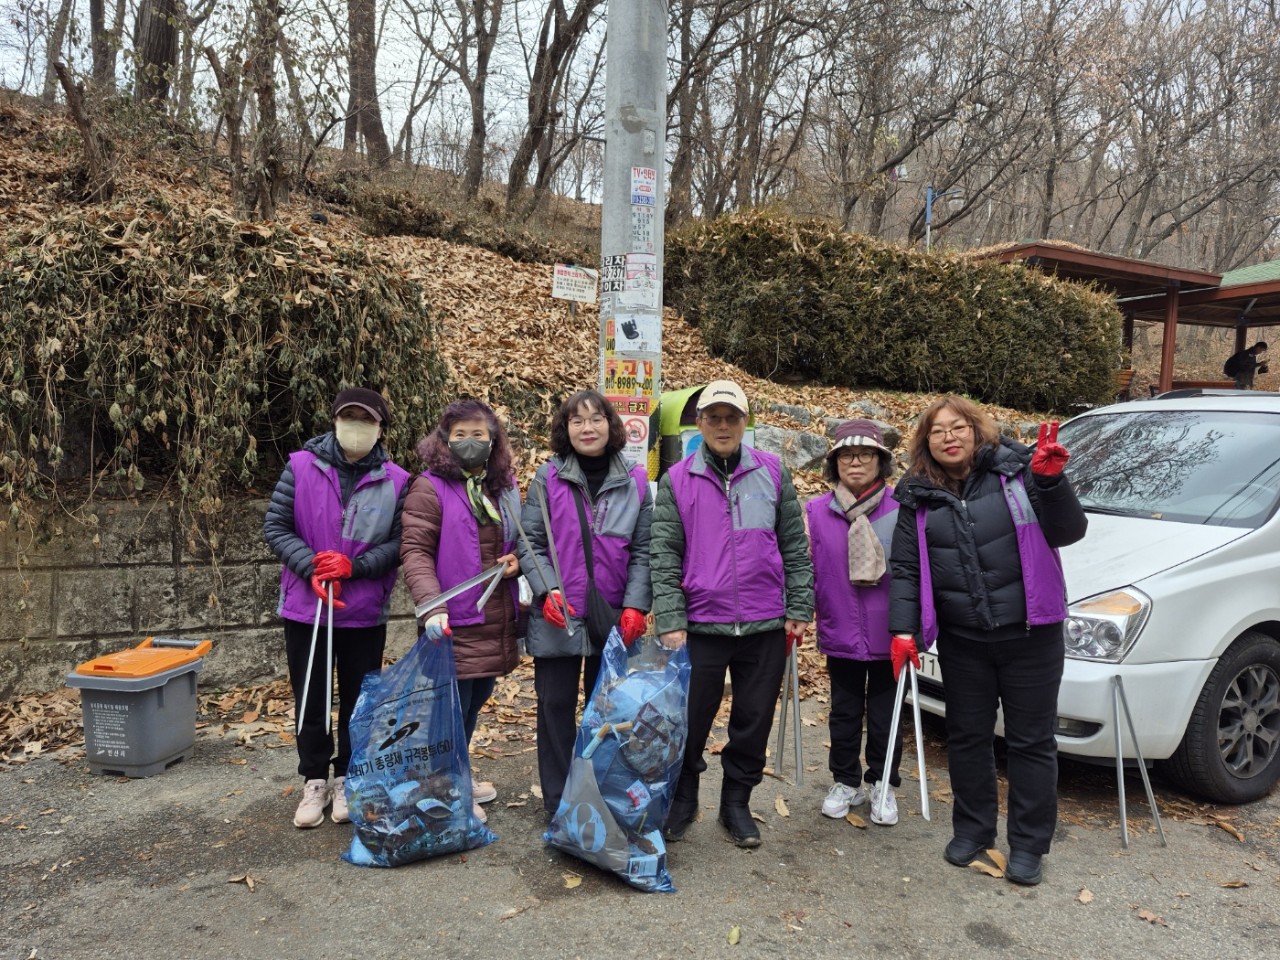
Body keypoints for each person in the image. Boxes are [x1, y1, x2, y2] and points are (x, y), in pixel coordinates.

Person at [888, 396, 1086, 886]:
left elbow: (1069, 530)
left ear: (977, 431)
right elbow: (907, 569)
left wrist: (1052, 483)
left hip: (1031, 635)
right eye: (937, 432)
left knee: (1030, 742)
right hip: (963, 639)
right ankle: (974, 830)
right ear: (925, 443)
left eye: (958, 427)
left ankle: (1029, 845)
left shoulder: (1018, 474)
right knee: (967, 738)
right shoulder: (917, 496)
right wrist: (902, 628)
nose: (949, 437)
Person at [650, 379, 814, 848]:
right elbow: (663, 555)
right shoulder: (676, 480)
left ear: (745, 423)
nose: (723, 426)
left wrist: (799, 605)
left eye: (732, 417)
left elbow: (795, 548)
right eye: (713, 417)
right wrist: (671, 619)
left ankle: (736, 802)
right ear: (698, 422)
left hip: (765, 621)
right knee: (689, 719)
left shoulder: (774, 472)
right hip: (701, 623)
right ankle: (683, 798)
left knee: (752, 719)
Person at [263, 387, 410, 829]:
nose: (356, 427)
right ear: (334, 420)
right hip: (308, 608)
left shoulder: (398, 480)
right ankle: (314, 779)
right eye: (349, 417)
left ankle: (348, 776)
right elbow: (277, 524)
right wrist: (311, 565)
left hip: (362, 608)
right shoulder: (300, 466)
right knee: (311, 697)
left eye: (366, 420)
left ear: (381, 428)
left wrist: (355, 566)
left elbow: (401, 542)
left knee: (358, 701)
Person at [517, 389, 653, 819]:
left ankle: (603, 796)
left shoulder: (635, 480)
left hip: (612, 615)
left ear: (611, 426)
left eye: (595, 419)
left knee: (608, 712)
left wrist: (635, 605)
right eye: (577, 420)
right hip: (558, 613)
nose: (587, 427)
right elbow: (530, 542)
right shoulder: (548, 476)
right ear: (566, 429)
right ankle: (559, 803)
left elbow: (645, 548)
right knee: (554, 708)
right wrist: (546, 589)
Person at [399, 399, 523, 824]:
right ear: (444, 439)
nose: (470, 443)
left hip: (494, 616)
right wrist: (431, 606)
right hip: (449, 621)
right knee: (449, 709)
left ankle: (456, 773)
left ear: (493, 440)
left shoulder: (503, 487)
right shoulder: (429, 487)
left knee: (474, 702)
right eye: (460, 435)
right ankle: (443, 786)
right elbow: (415, 551)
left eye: (479, 434)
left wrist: (517, 560)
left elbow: (521, 540)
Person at [806, 420, 903, 826]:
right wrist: (798, 614)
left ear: (881, 462)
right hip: (841, 626)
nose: (856, 462)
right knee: (844, 712)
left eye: (866, 454)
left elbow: (918, 573)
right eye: (847, 455)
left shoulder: (903, 508)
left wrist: (916, 626)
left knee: (887, 713)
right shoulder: (816, 511)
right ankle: (846, 780)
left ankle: (883, 780)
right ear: (835, 464)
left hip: (890, 631)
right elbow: (805, 569)